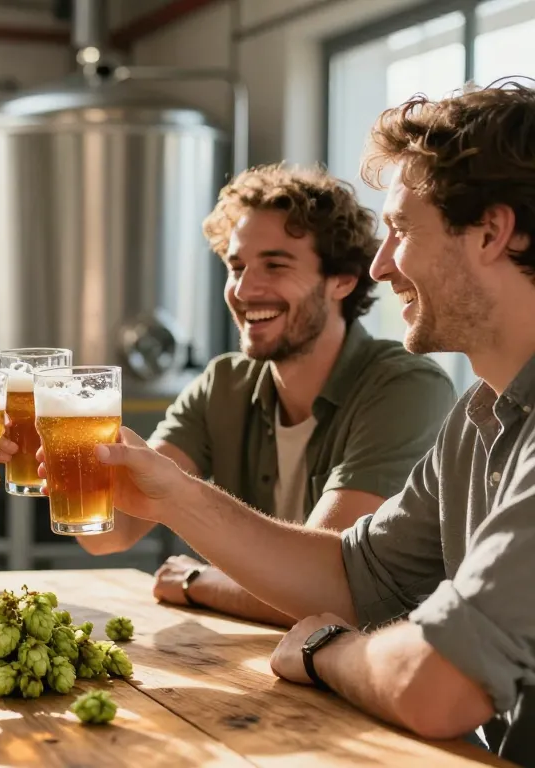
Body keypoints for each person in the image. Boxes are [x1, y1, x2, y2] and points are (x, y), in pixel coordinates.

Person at [61, 81, 535, 763]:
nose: (381, 264)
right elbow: (351, 575)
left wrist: (325, 651)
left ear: (491, 233)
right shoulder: (481, 414)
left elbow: (438, 685)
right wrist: (173, 495)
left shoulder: (422, 391)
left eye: (400, 230)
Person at [76, 163, 457, 626]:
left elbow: (331, 591)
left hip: (375, 675)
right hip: (272, 663)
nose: (244, 288)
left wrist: (200, 583)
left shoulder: (407, 387)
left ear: (343, 279)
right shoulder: (224, 385)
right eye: (236, 267)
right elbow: (108, 535)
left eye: (275, 265)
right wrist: (69, 464)